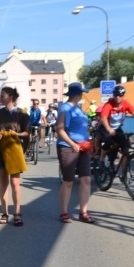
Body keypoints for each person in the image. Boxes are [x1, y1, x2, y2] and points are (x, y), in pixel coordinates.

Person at [0, 86, 30, 226]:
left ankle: (17, 213)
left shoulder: (22, 114)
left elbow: (27, 133)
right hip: (1, 151)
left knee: (15, 183)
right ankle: (5, 213)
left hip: (15, 151)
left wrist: (16, 134)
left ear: (11, 97)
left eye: (2, 95)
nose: (0, 98)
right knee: (3, 182)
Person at [55, 83, 94, 224]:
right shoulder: (65, 108)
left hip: (83, 147)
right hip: (68, 147)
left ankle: (84, 212)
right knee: (69, 181)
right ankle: (64, 212)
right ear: (78, 94)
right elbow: (59, 129)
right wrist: (72, 144)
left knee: (86, 179)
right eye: (82, 93)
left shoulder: (78, 108)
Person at [97, 85, 134, 178]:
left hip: (117, 129)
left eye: (120, 95)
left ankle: (123, 173)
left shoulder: (125, 104)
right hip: (106, 127)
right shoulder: (109, 105)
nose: (118, 97)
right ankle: (101, 160)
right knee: (108, 141)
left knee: (125, 147)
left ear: (123, 95)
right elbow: (104, 118)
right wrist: (109, 129)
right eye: (115, 95)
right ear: (113, 95)